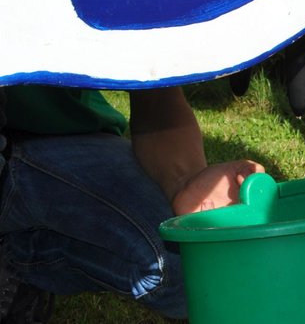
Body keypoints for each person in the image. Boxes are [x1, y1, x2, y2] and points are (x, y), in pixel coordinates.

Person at [0, 85, 264, 322]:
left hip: (52, 136)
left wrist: (183, 181)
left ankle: (16, 255)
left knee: (195, 270)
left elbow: (156, 97)